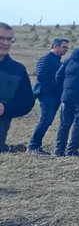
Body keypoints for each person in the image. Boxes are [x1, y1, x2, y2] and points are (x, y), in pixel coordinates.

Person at [27, 37, 69, 155]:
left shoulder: (58, 61)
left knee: (48, 120)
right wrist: (56, 85)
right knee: (46, 119)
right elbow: (41, 76)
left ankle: (36, 145)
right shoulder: (45, 59)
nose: (66, 50)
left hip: (56, 95)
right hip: (46, 94)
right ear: (55, 46)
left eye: (67, 47)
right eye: (64, 47)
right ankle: (33, 146)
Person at [0, 22, 35, 152]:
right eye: (1, 38)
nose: (6, 43)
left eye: (9, 39)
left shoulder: (17, 70)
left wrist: (5, 109)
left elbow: (26, 102)